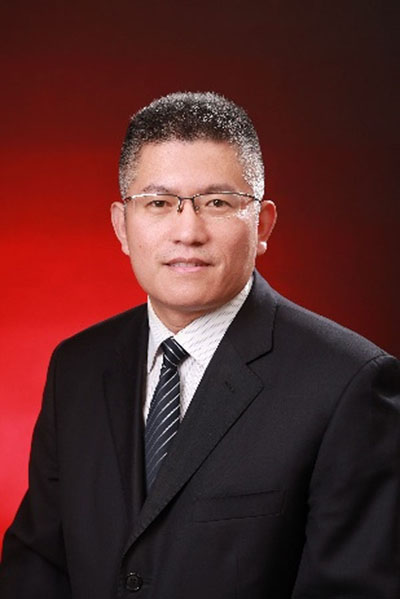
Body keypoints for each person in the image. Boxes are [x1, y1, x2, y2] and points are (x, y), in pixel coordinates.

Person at [0, 92, 399, 599]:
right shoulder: (77, 367)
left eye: (217, 203)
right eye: (159, 203)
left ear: (262, 225)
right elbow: (37, 567)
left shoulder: (350, 385)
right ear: (122, 226)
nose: (187, 232)